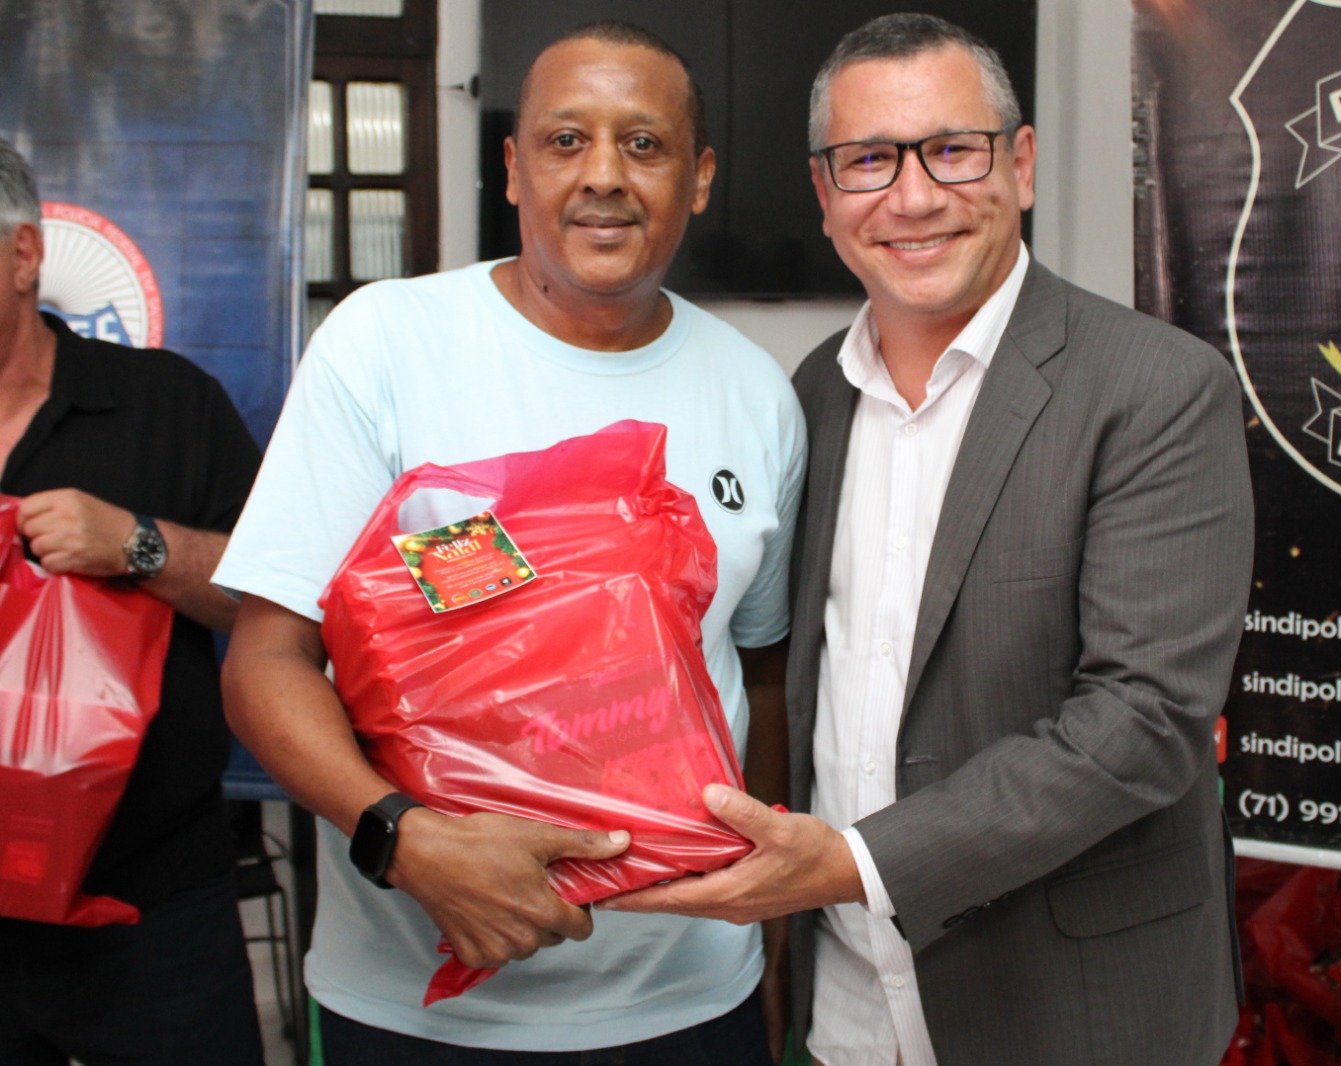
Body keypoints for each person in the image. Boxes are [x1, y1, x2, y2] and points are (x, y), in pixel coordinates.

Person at [605, 13, 1255, 1065]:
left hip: (1067, 1011)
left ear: (1022, 164)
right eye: (868, 160)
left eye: (953, 149)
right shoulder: (808, 395)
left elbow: (1145, 721)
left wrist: (852, 865)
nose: (911, 198)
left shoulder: (1156, 389)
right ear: (823, 195)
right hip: (846, 1007)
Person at [215, 21, 804, 1064]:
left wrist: (767, 937)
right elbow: (266, 661)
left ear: (700, 177)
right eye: (565, 140)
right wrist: (403, 838)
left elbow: (757, 677)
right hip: (416, 1004)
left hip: (685, 994)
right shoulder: (386, 344)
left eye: (645, 144)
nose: (604, 175)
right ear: (514, 168)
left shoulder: (757, 393)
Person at [0, 137, 266, 1065]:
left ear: (24, 256)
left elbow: (275, 601)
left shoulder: (169, 404)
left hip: (154, 907)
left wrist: (137, 545)